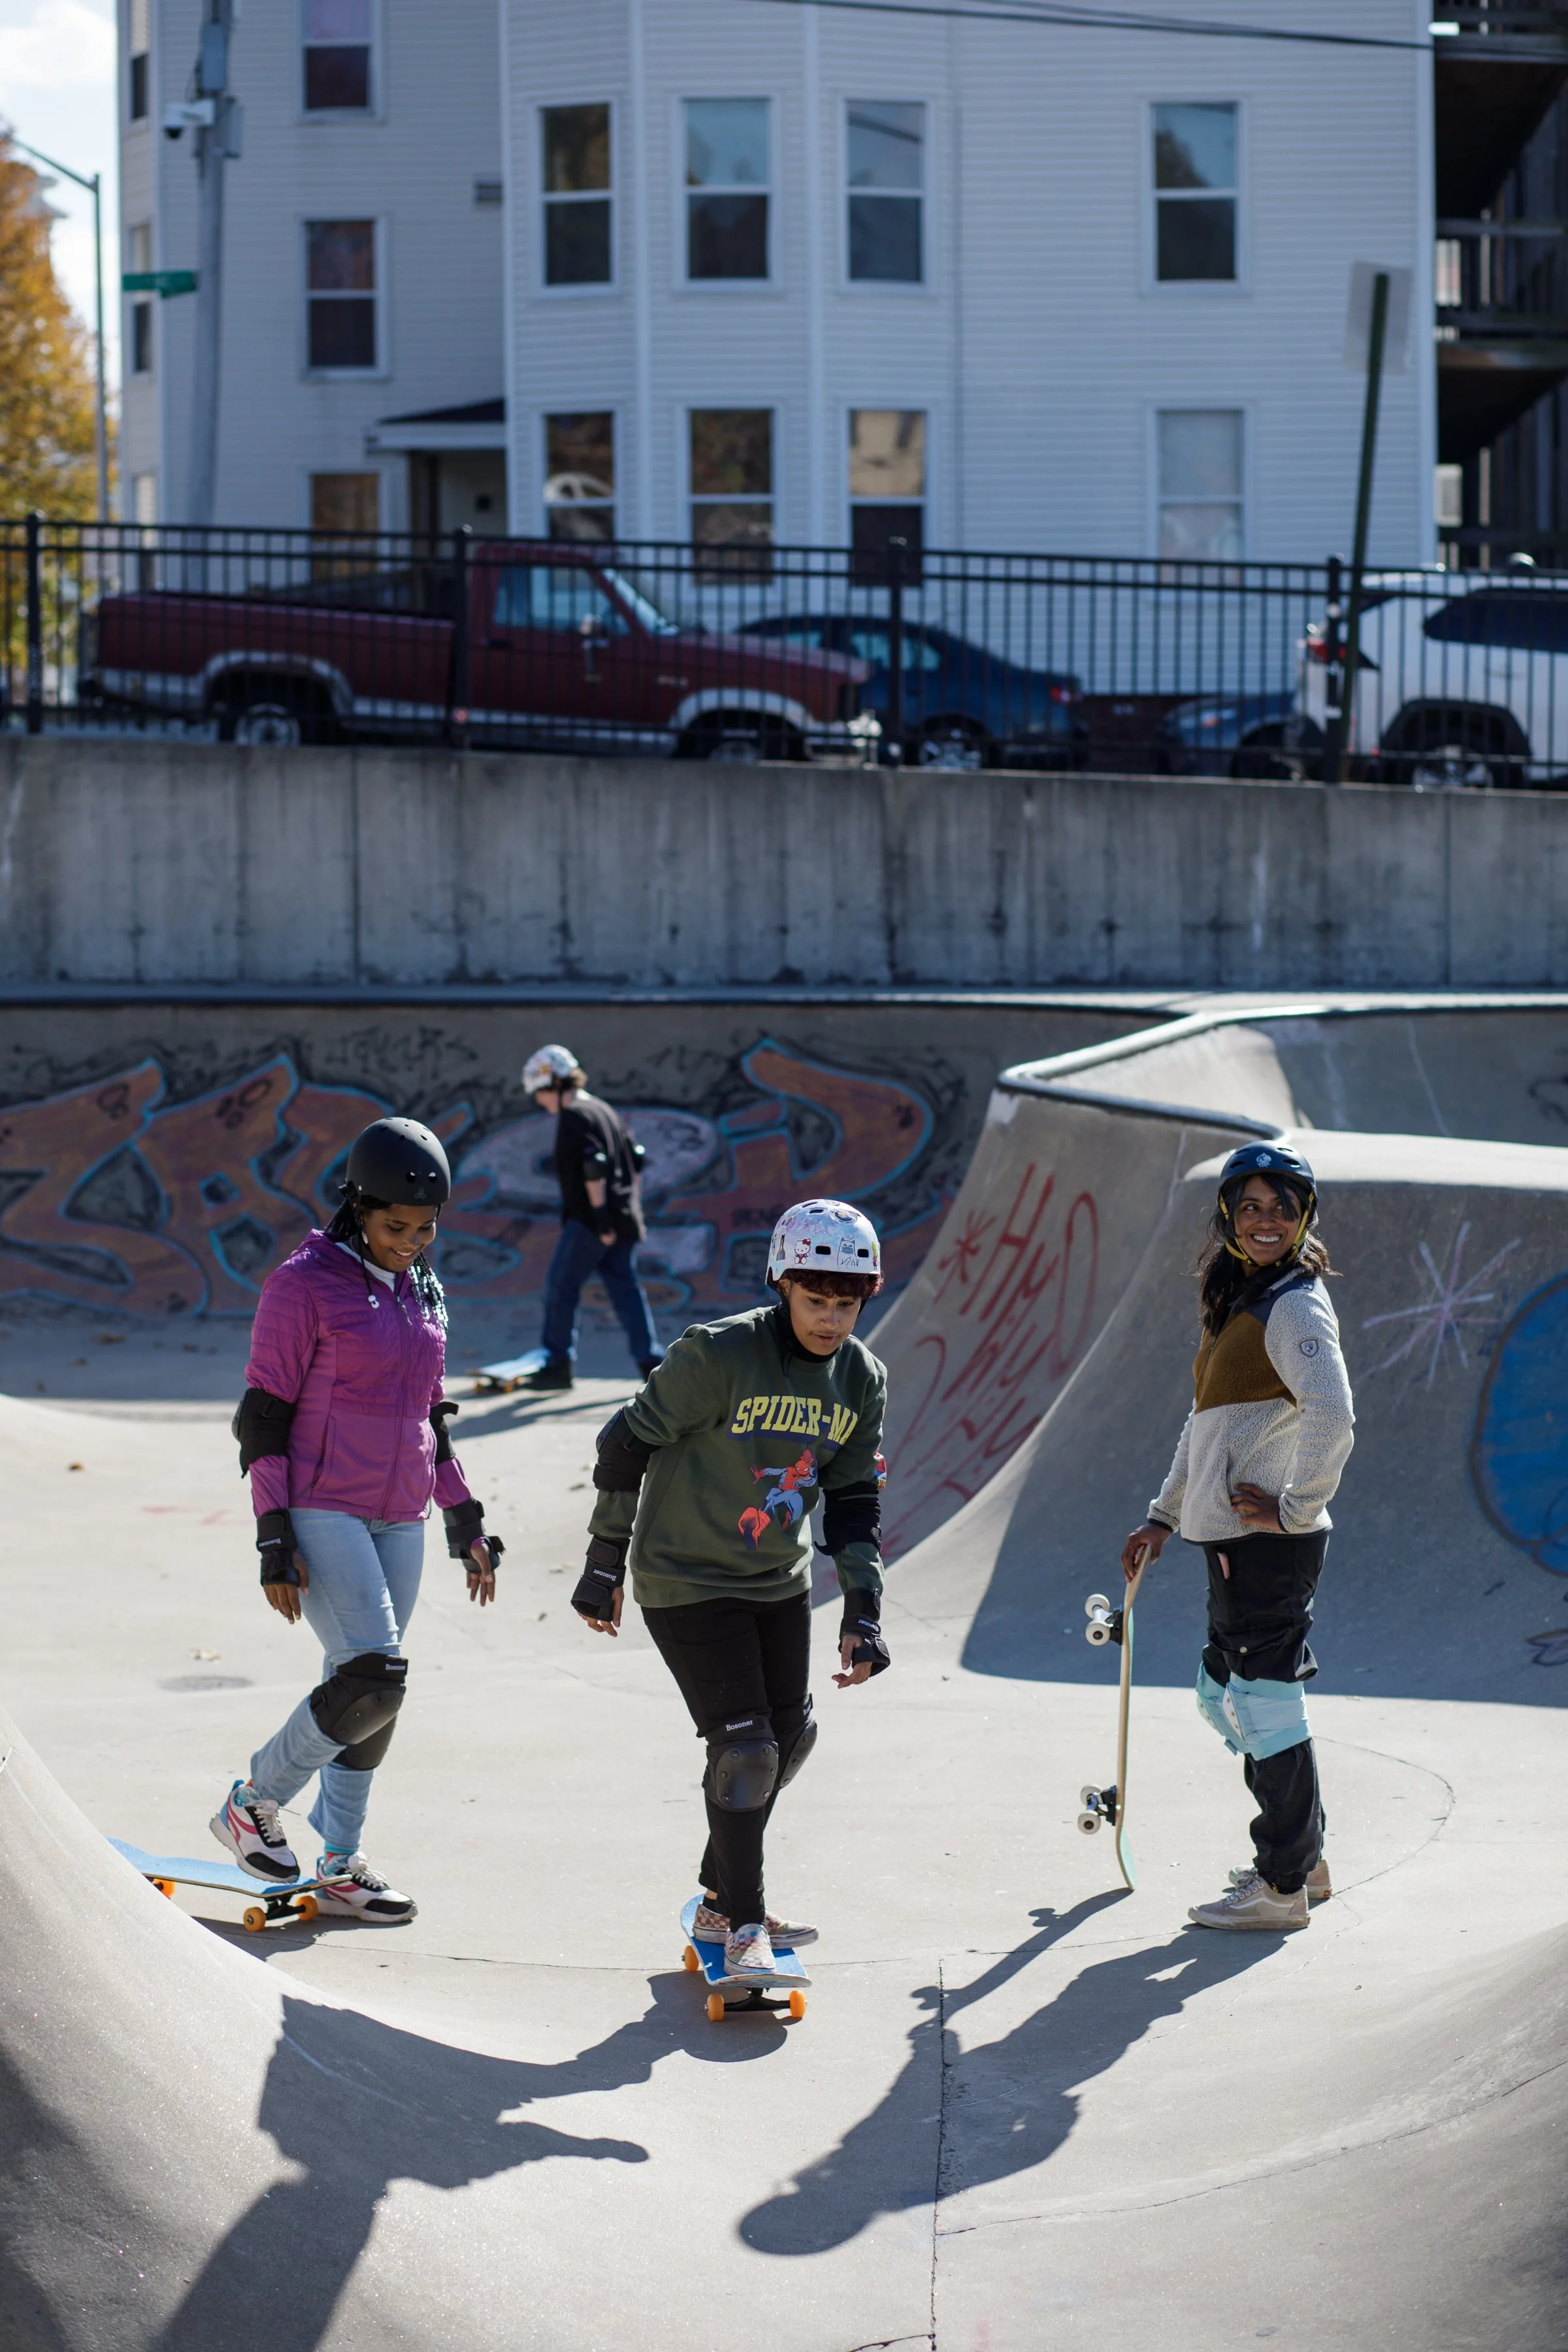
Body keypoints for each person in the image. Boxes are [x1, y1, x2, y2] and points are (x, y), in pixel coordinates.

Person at [572, 1197, 890, 1979]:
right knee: (745, 1750)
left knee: (788, 1740)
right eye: (816, 1301)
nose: (830, 1320)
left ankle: (721, 1894)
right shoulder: (716, 1355)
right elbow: (624, 1444)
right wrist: (604, 1560)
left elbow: (853, 1502)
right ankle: (744, 1924)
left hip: (774, 1580)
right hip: (684, 1576)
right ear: (783, 1284)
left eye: (845, 1305)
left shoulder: (861, 1379)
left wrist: (864, 1609)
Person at [210, 1117, 502, 1923]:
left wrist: (465, 1521)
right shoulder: (303, 1285)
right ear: (357, 1208)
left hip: (400, 1511)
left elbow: (430, 1421)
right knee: (373, 1672)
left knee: (374, 1689)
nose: (410, 1242)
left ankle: (340, 1864)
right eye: (394, 1227)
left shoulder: (423, 1292)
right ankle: (253, 1800)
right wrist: (274, 1536)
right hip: (322, 1503)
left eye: (425, 1229)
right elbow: (262, 1419)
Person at [1120, 1141, 1354, 1934]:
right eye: (1250, 1206)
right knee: (1227, 1700)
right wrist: (1161, 1514)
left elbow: (1335, 1413)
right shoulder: (1243, 1302)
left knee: (1261, 1707)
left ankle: (1282, 1885)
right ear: (1228, 1215)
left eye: (1282, 1208)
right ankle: (1307, 1860)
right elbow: (1204, 1428)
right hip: (1231, 1543)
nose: (1265, 1220)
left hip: (1268, 1546)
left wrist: (1293, 1507)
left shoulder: (1294, 1303)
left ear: (1302, 1219)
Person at [518, 1043, 663, 1392]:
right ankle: (652, 1365)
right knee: (626, 1291)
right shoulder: (603, 1109)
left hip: (591, 1222)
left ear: (553, 1084)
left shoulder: (575, 1116)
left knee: (560, 1286)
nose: (540, 1102)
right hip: (623, 1218)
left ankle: (557, 1365)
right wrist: (627, 1207)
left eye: (540, 1093)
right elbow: (637, 1159)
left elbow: (593, 1167)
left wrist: (600, 1218)